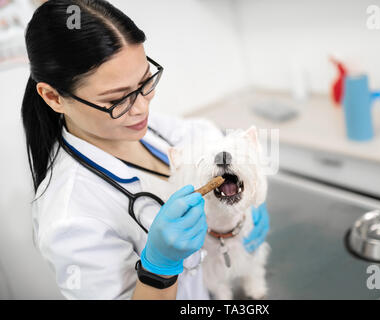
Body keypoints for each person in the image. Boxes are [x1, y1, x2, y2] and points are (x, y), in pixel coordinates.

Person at [21, 0, 269, 300]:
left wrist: (246, 193)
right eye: (116, 99)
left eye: (145, 82)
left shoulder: (149, 127)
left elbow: (204, 134)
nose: (141, 108)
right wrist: (158, 270)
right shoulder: (70, 219)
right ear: (54, 97)